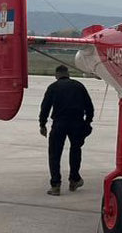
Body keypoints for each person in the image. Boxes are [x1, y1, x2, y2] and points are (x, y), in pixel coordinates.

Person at [39, 65, 94, 196]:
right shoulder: (79, 86)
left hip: (59, 124)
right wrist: (87, 123)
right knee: (75, 151)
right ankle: (74, 179)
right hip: (77, 123)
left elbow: (45, 107)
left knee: (54, 155)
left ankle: (55, 186)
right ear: (68, 74)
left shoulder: (53, 87)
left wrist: (42, 124)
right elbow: (90, 107)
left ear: (56, 75)